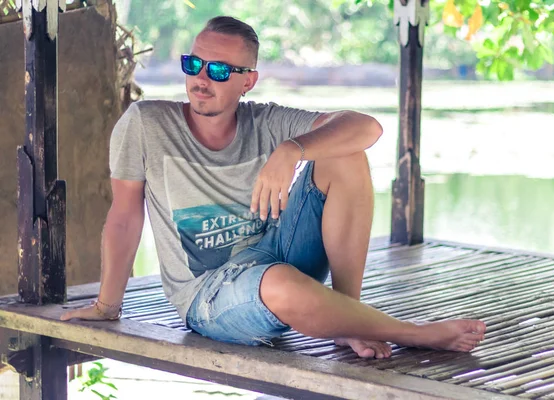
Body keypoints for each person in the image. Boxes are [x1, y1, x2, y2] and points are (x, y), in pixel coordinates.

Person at [61, 16, 486, 359]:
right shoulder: (146, 124)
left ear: (248, 81)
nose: (201, 79)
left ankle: (347, 317)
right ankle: (410, 333)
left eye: (220, 70)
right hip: (210, 294)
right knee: (279, 281)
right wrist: (107, 305)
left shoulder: (266, 121)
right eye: (194, 64)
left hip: (279, 251)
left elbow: (366, 128)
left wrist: (291, 149)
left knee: (343, 151)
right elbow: (124, 215)